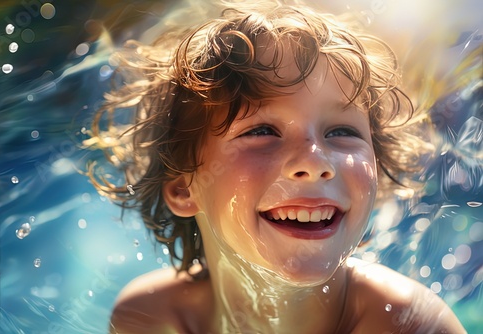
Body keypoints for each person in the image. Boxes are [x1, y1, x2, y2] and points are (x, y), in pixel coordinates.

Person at [86, 0, 467, 332]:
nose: (315, 162)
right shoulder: (149, 319)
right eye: (263, 130)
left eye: (340, 131)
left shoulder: (410, 326)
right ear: (185, 188)